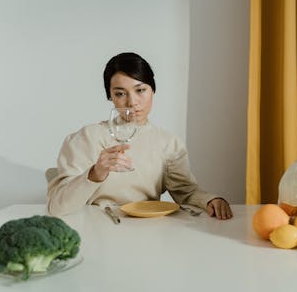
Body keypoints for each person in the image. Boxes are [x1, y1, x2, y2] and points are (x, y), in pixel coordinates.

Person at [47, 52, 233, 219]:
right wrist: (95, 173)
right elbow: (57, 207)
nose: (132, 102)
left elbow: (186, 192)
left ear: (153, 90)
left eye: (140, 90)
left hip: (148, 230)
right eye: (120, 93)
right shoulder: (86, 138)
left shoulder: (168, 144)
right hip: (98, 227)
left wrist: (210, 200)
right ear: (110, 97)